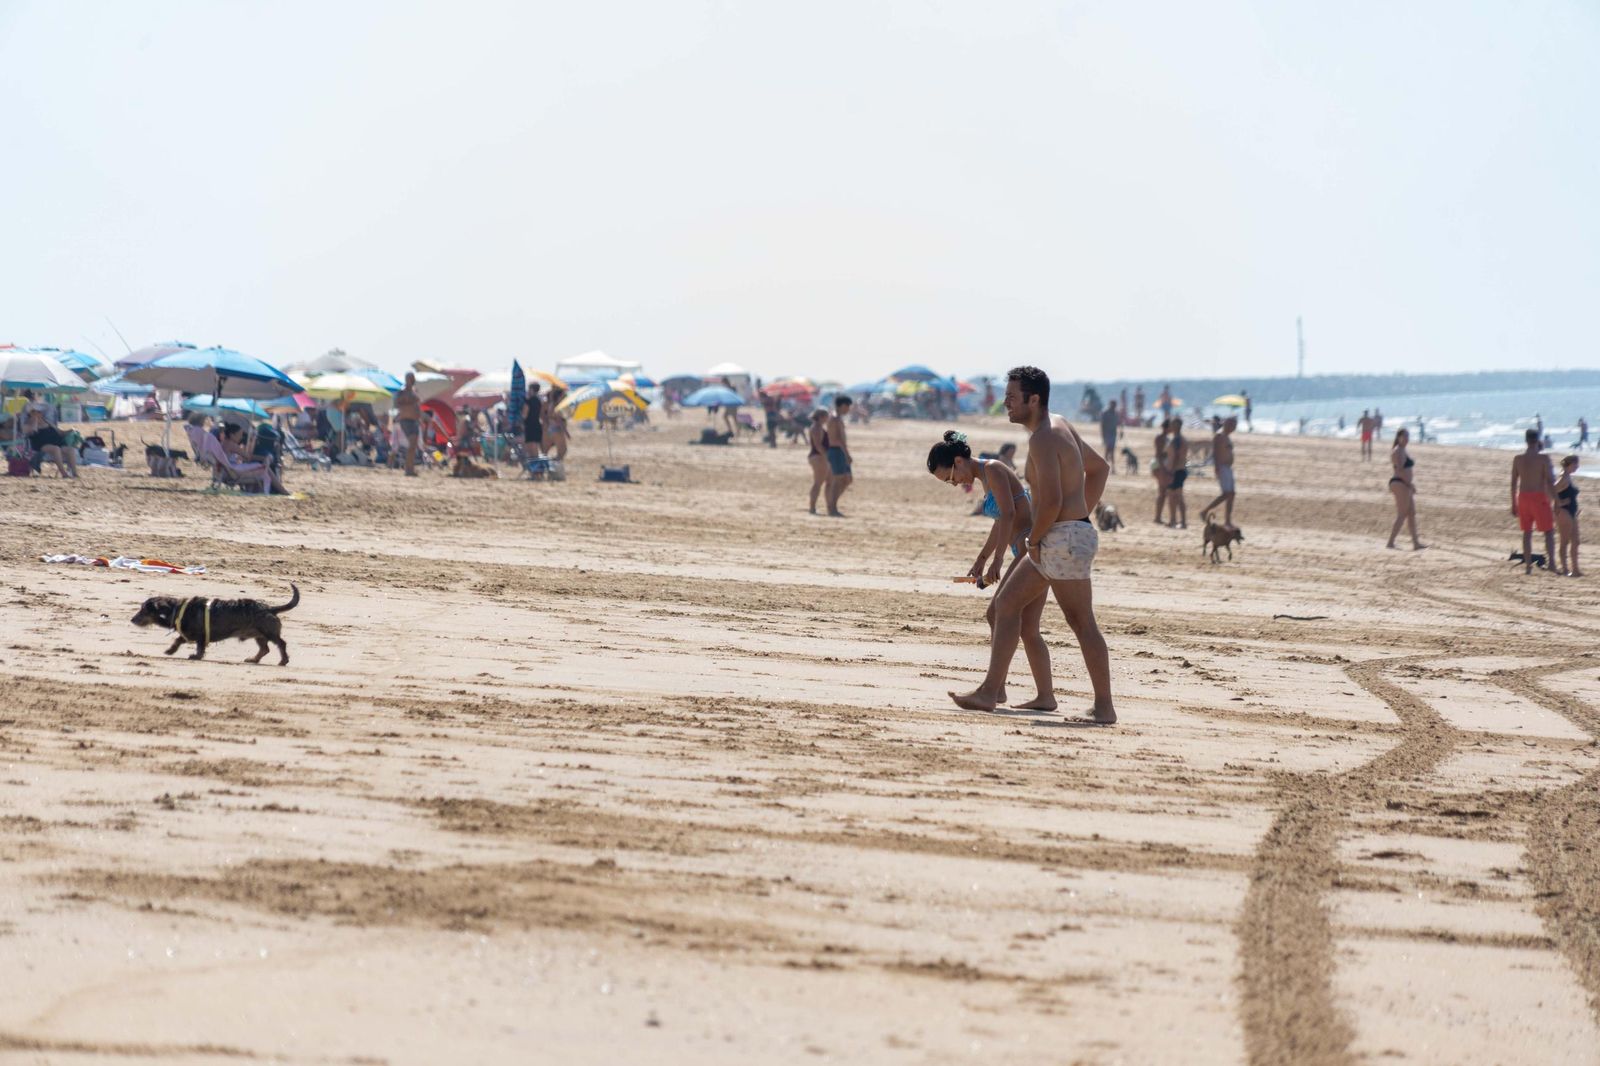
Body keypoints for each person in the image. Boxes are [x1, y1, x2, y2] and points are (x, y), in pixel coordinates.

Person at [950, 366, 1113, 722]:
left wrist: (1036, 538)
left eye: (1011, 397)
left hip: (1058, 537)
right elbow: (1100, 468)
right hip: (1073, 533)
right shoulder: (1061, 424)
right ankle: (1101, 706)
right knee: (1074, 619)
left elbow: (1051, 500)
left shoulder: (1042, 437)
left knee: (1009, 607)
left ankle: (990, 692)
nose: (1005, 403)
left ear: (1033, 398)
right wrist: (1080, 516)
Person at [930, 431, 1055, 710]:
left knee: (997, 612)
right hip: (1024, 548)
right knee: (1028, 628)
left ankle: (994, 690)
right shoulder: (986, 477)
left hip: (1028, 548)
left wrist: (997, 559)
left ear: (959, 462)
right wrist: (982, 558)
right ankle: (1044, 696)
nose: (953, 483)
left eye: (949, 477)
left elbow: (1009, 514)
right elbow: (1000, 521)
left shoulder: (993, 469)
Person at [1511, 428, 1557, 575]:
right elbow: (1550, 481)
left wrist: (1513, 503)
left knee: (1527, 532)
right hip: (1539, 496)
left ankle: (1528, 566)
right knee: (1548, 532)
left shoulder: (1518, 459)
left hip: (1523, 496)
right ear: (1538, 440)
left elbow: (1513, 483)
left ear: (1526, 440)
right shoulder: (1544, 458)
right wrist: (1556, 500)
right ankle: (1552, 563)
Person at [20, 390, 78, 478]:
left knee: (71, 450)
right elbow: (31, 431)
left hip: (57, 442)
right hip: (41, 444)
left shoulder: (47, 421)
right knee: (56, 449)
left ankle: (75, 473)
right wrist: (35, 421)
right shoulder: (28, 423)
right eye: (35, 412)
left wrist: (71, 431)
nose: (39, 413)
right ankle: (64, 473)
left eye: (39, 412)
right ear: (30, 413)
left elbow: (60, 432)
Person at [1386, 427, 1425, 550]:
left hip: (1405, 484)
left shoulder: (1403, 450)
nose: (1407, 439)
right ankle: (1390, 542)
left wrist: (1409, 484)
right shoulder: (1397, 451)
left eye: (1408, 436)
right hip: (1400, 483)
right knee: (1402, 514)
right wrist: (1409, 484)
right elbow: (1400, 470)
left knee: (1411, 513)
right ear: (1399, 437)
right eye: (1405, 436)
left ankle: (1415, 543)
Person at [1200, 416, 1238, 527]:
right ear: (1226, 424)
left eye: (1234, 426)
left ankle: (1228, 520)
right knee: (1226, 494)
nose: (1233, 428)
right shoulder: (1219, 436)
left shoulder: (1226, 436)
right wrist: (1216, 467)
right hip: (1222, 467)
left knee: (1231, 494)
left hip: (1228, 468)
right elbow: (1215, 453)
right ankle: (1205, 511)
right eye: (1231, 425)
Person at [823, 395, 854, 517]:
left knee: (846, 479)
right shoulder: (835, 418)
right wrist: (847, 454)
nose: (849, 410)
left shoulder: (836, 418)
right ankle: (832, 507)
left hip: (837, 450)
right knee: (838, 479)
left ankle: (832, 504)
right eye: (848, 407)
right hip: (836, 450)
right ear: (843, 406)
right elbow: (839, 439)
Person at [1552, 454, 1582, 576]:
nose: (1577, 467)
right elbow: (1551, 490)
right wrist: (1559, 503)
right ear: (1569, 464)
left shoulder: (1568, 477)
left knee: (1576, 541)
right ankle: (1564, 569)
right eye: (1575, 464)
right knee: (1565, 541)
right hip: (1564, 512)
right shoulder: (1563, 478)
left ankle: (1575, 570)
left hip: (1572, 512)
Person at [804, 409, 830, 514]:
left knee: (823, 482)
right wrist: (826, 456)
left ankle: (818, 507)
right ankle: (812, 508)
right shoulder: (817, 428)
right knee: (818, 483)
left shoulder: (816, 427)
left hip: (817, 456)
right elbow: (818, 445)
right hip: (819, 457)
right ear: (821, 417)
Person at [1166, 418, 1188, 529]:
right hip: (1180, 470)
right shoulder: (1181, 439)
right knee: (1175, 497)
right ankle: (1175, 520)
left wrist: (1171, 472)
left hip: (1176, 471)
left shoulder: (1176, 440)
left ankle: (1178, 521)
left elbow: (1175, 457)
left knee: (1175, 497)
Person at [1151, 418, 1171, 523]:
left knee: (1163, 492)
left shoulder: (1166, 438)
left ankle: (1158, 517)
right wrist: (1164, 469)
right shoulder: (1160, 438)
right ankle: (1157, 517)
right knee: (1162, 491)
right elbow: (1159, 455)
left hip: (1162, 465)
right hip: (1159, 465)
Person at [523, 383, 544, 458]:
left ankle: (534, 465)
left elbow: (524, 415)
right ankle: (536, 465)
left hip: (529, 426)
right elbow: (541, 414)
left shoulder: (528, 401)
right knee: (535, 447)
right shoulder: (539, 401)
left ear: (532, 389)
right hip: (537, 424)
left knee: (530, 447)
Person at [1099, 400, 1119, 473]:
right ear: (1110, 404)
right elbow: (1102, 425)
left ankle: (1112, 468)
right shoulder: (1105, 413)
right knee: (1107, 451)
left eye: (1115, 405)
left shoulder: (1116, 413)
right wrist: (1103, 436)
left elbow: (1117, 424)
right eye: (1113, 405)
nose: (1114, 406)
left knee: (1112, 451)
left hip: (1113, 434)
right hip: (1107, 434)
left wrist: (1121, 432)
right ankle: (1104, 467)